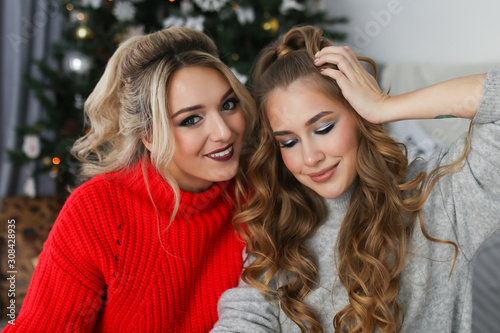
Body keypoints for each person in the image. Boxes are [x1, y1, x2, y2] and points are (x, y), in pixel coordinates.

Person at [211, 26, 500, 332]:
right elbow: (246, 319)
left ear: (360, 116)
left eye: (323, 128)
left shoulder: (440, 198)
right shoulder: (278, 226)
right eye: (289, 142)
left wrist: (386, 106)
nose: (310, 158)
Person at [2, 27, 256, 332]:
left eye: (228, 105)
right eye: (191, 119)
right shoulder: (100, 209)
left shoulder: (262, 188)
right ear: (148, 136)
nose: (224, 132)